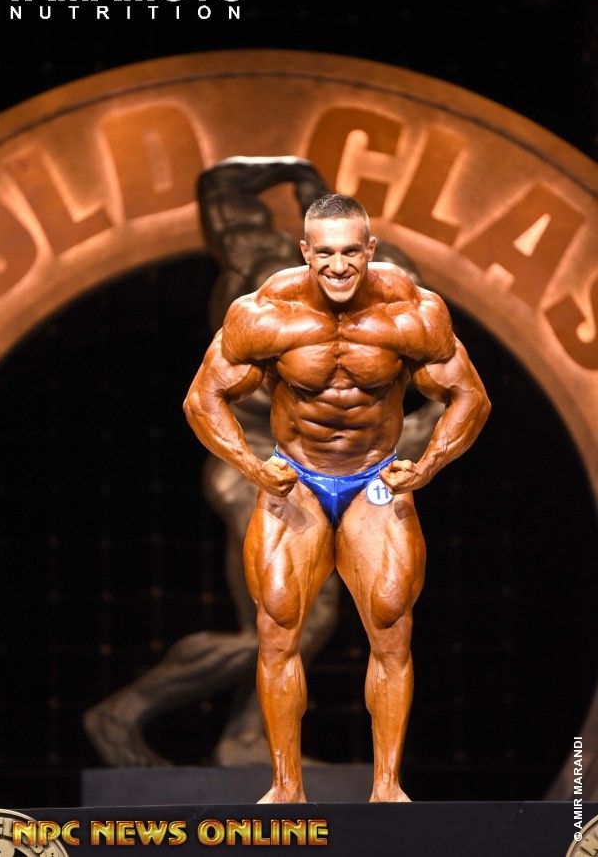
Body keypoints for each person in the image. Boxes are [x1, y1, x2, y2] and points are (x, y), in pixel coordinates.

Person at [183, 193, 491, 803]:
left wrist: (428, 465)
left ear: (369, 249)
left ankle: (387, 788)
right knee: (277, 628)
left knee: (390, 625)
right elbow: (202, 398)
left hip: (373, 478)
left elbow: (470, 397)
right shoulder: (266, 312)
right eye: (325, 252)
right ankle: (285, 789)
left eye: (351, 251)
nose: (339, 265)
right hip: (296, 476)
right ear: (305, 251)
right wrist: (251, 465)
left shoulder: (411, 311)